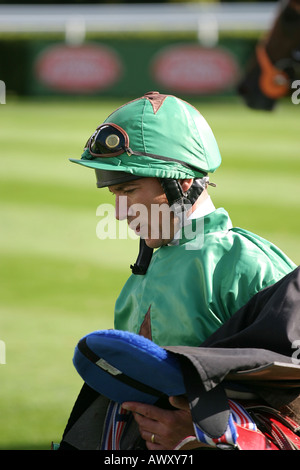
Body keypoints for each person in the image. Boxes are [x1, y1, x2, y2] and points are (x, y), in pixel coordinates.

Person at [60, 91, 296, 450]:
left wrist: (206, 436)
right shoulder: (140, 275)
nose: (120, 212)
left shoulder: (246, 264)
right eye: (114, 195)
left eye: (129, 189)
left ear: (181, 182)